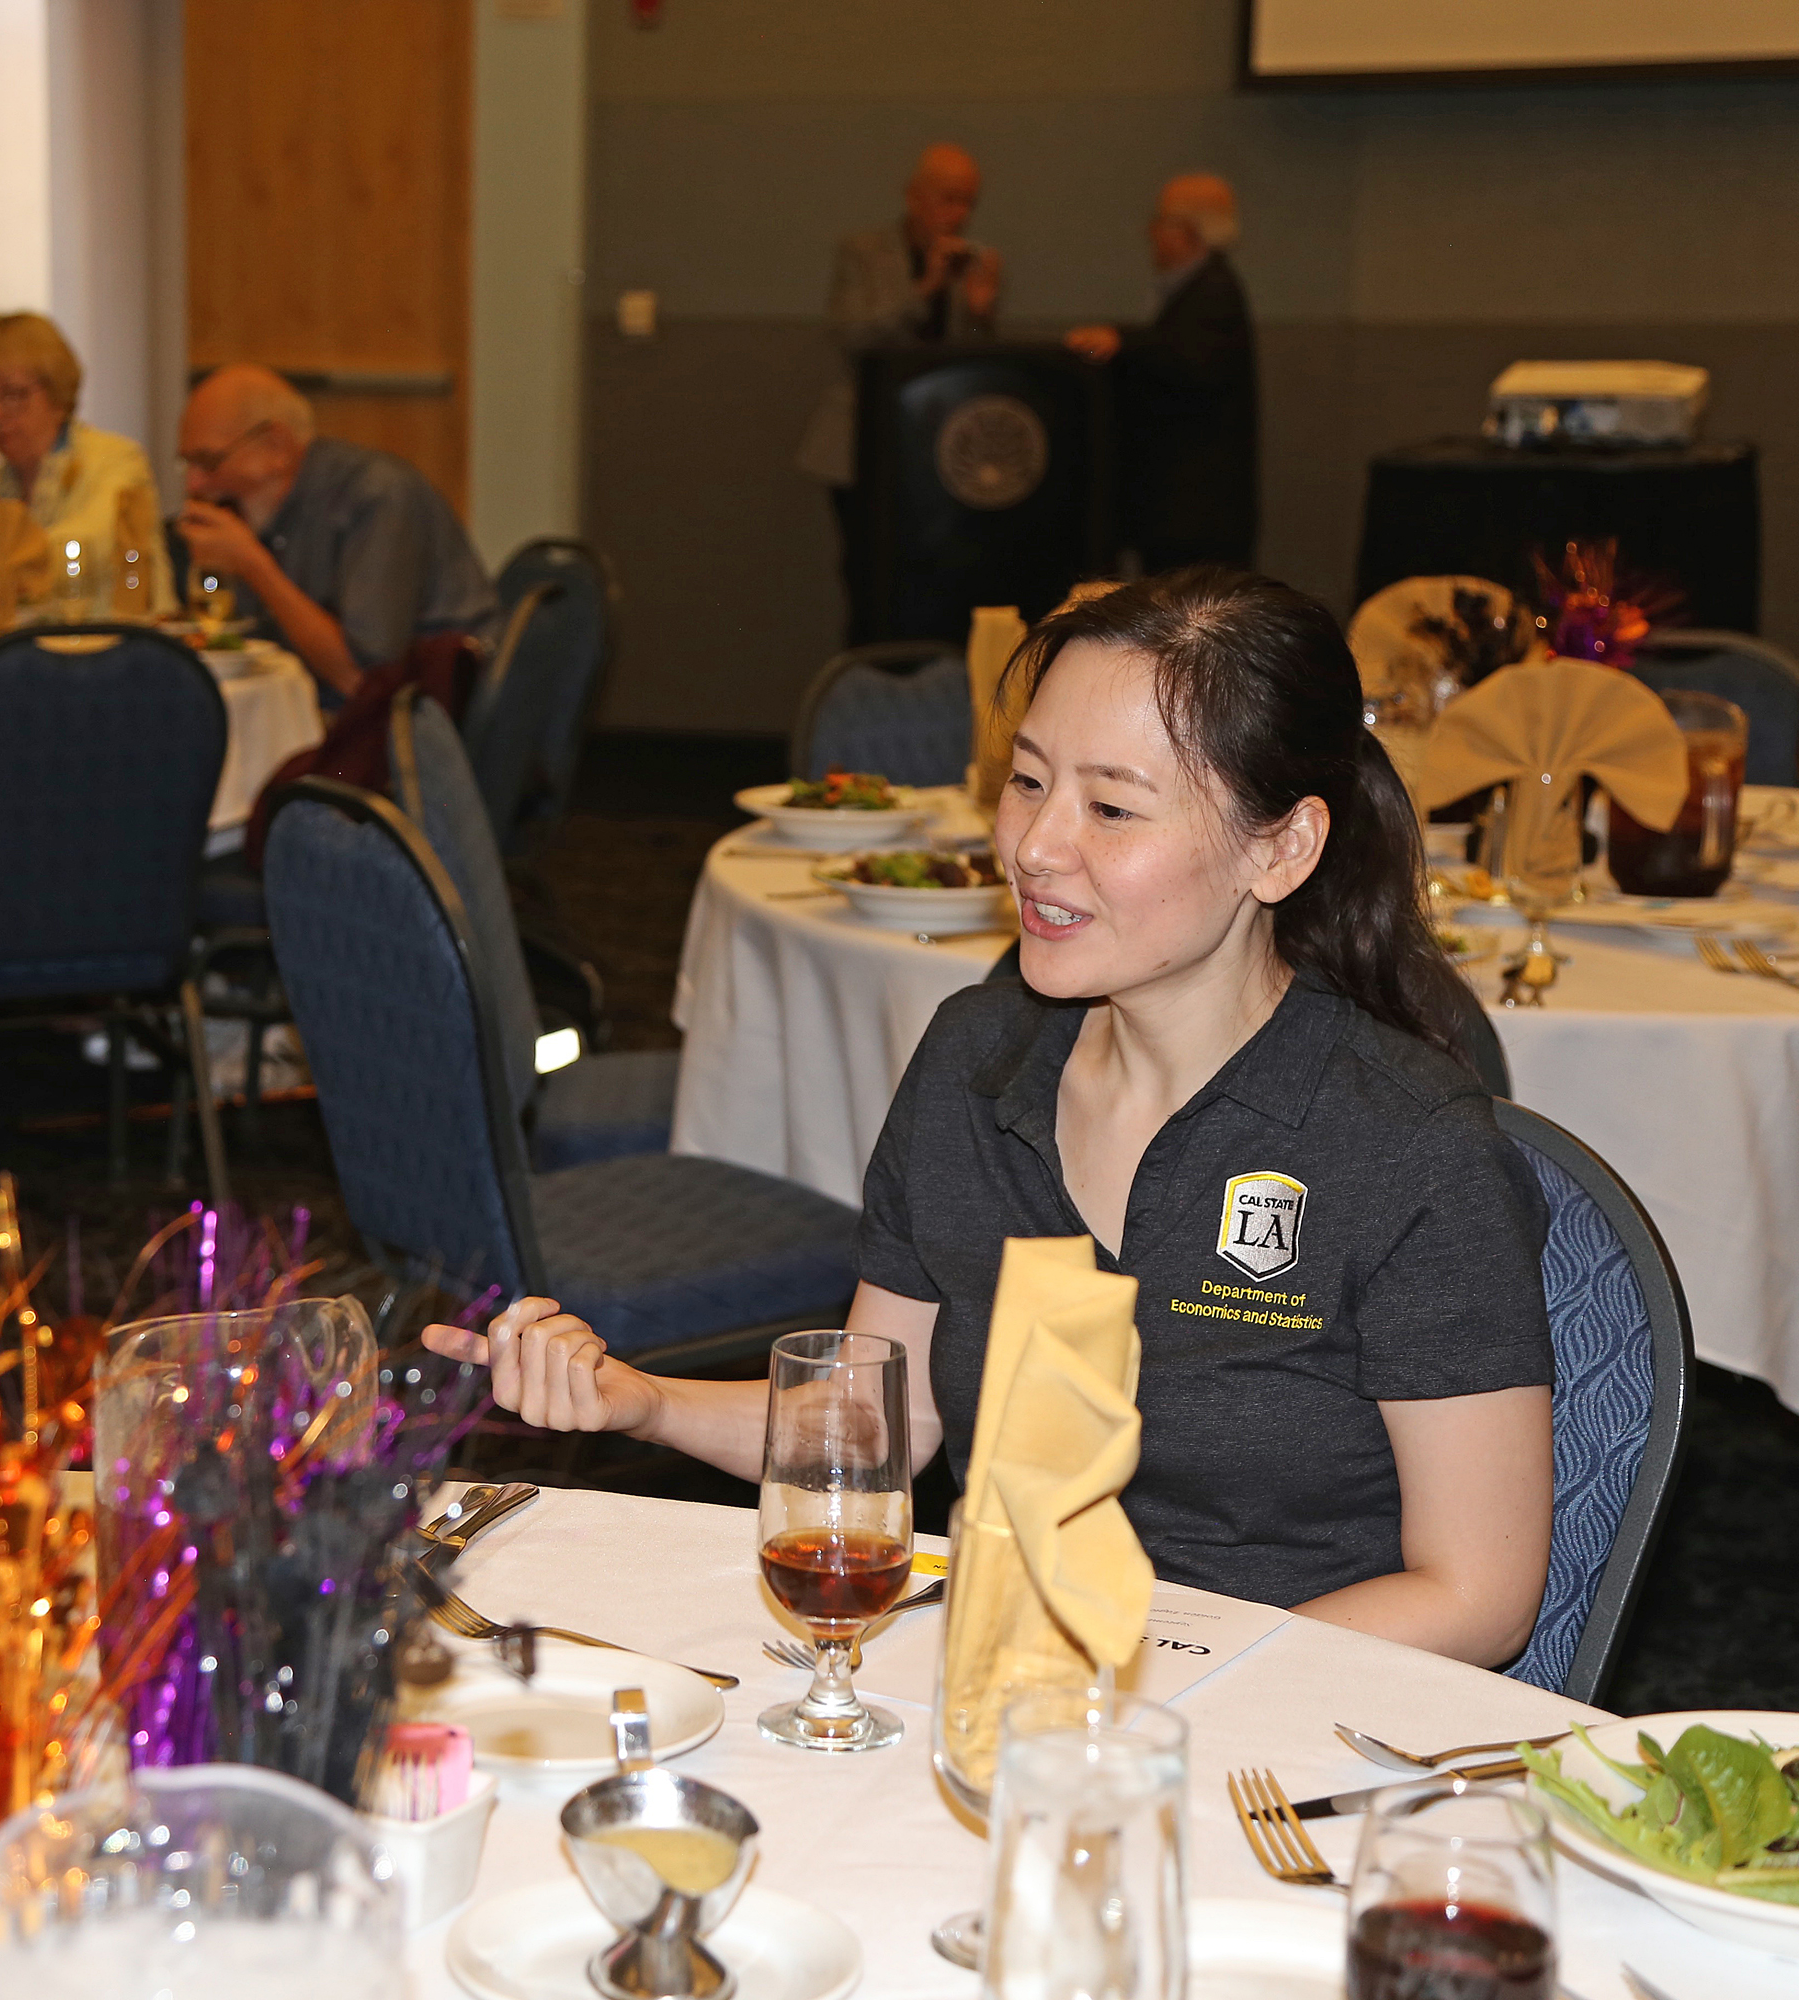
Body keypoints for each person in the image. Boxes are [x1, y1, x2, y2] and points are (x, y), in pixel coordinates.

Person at [432, 571, 1558, 1669]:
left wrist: (1155, 1682)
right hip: (1003, 1684)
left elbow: (1477, 1595)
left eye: (1111, 807)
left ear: (1281, 848)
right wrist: (639, 1400)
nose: (1033, 845)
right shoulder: (980, 1055)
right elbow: (887, 1419)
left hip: (1278, 1728)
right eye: (1027, 781)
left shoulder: (1408, 1146)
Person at [174, 363, 494, 700]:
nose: (194, 483)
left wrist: (255, 567)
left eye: (209, 461)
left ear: (276, 447)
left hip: (433, 712)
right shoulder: (255, 509)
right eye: (187, 463)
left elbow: (362, 678)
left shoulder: (378, 497)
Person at [797, 142, 1003, 633]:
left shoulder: (970, 263)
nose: (959, 214)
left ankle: (926, 689)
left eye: (969, 203)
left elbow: (978, 366)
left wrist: (979, 310)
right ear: (915, 196)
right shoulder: (863, 253)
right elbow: (850, 337)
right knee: (867, 573)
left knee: (931, 574)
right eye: (949, 199)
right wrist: (924, 290)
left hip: (934, 450)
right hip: (860, 444)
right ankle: (867, 686)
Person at [1065, 174, 1258, 572]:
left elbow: (1188, 361)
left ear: (1188, 231)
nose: (1150, 231)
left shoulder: (1213, 292)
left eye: (1160, 219)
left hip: (1195, 515)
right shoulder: (1198, 288)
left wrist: (1121, 341)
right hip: (1187, 514)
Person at [0, 311, 172, 616]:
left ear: (57, 393)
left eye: (13, 394)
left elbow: (91, 542)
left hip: (125, 653)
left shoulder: (118, 460)